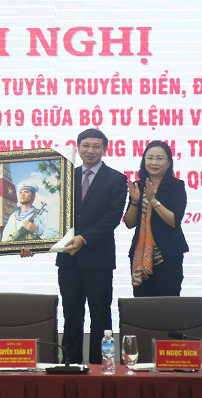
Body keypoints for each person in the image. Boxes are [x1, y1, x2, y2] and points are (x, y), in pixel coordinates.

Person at [23, 128, 126, 364]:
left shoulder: (116, 179)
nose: (90, 150)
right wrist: (32, 244)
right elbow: (54, 217)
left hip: (98, 260)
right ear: (77, 148)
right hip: (68, 259)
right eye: (86, 145)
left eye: (96, 146)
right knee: (71, 316)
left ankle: (101, 368)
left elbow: (112, 217)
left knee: (101, 316)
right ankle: (70, 365)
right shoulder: (65, 176)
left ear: (104, 149)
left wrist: (84, 238)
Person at [123, 140, 188, 297]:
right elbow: (129, 223)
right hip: (140, 255)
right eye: (150, 158)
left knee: (168, 304)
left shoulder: (176, 186)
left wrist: (153, 201)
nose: (154, 163)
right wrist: (135, 201)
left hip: (168, 254)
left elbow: (173, 221)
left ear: (168, 162)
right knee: (142, 304)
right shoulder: (138, 186)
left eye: (159, 158)